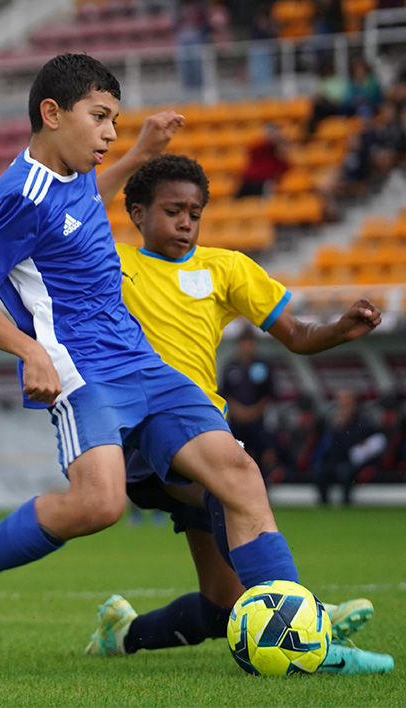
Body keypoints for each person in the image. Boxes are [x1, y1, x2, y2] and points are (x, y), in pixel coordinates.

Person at [0, 53, 308, 645]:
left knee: (239, 474)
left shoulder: (69, 176)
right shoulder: (22, 196)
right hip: (81, 369)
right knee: (98, 505)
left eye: (114, 120)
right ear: (52, 113)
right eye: (100, 117)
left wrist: (140, 152)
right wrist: (30, 353)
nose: (110, 132)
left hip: (141, 360)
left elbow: (90, 198)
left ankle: (298, 634)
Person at [83, 152, 391, 673]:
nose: (186, 222)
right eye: (172, 210)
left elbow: (295, 334)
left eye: (195, 212)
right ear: (136, 213)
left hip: (201, 428)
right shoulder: (114, 262)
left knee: (221, 607)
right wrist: (139, 149)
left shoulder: (226, 267)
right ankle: (305, 624)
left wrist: (337, 330)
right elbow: (76, 213)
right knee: (239, 479)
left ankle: (122, 633)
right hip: (142, 429)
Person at [312, 389, 387, 506]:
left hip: (350, 460)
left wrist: (344, 426)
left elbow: (356, 445)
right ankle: (323, 503)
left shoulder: (363, 421)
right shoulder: (332, 421)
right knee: (319, 471)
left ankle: (346, 504)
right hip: (334, 459)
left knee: (344, 472)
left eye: (346, 402)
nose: (343, 406)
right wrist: (337, 426)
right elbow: (329, 445)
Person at [220, 328, 277, 477]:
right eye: (243, 343)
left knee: (260, 460)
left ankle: (262, 492)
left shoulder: (264, 366)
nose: (246, 346)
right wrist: (238, 411)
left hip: (258, 424)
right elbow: (224, 394)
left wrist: (252, 412)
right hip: (236, 423)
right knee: (234, 459)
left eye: (249, 343)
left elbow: (269, 395)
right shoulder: (230, 366)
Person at [234, 123, 289, 198]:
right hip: (250, 179)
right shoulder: (260, 147)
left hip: (262, 180)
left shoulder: (278, 151)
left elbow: (284, 165)